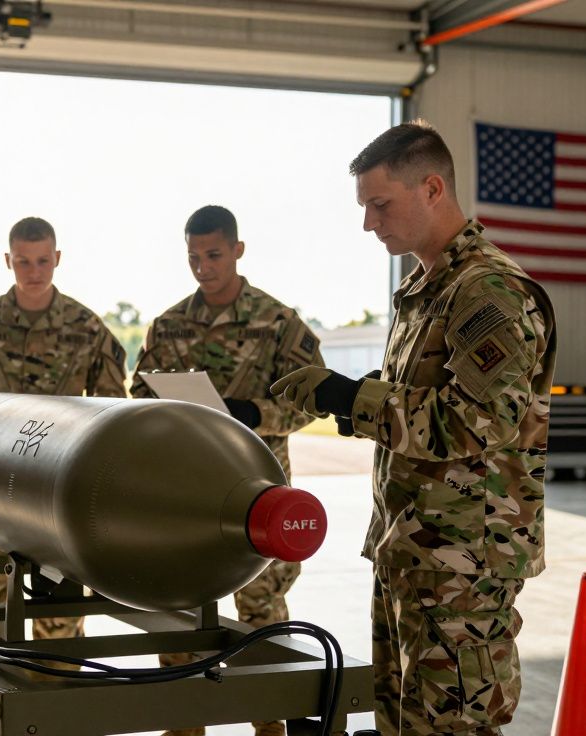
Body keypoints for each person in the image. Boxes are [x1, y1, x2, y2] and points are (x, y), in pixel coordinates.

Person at [272, 120, 556, 735]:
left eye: (380, 204)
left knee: (451, 728)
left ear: (431, 188)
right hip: (414, 550)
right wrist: (344, 402)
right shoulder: (426, 289)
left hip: (462, 570)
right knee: (403, 723)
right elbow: (416, 406)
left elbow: (479, 423)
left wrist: (356, 395)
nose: (369, 223)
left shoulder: (488, 291)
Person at [131, 204, 323, 736]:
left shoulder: (280, 323)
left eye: (213, 255)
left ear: (238, 250)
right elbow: (136, 398)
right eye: (193, 257)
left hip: (256, 492)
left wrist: (255, 413)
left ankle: (270, 722)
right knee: (180, 607)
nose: (202, 267)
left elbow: (313, 400)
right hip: (182, 494)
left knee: (261, 610)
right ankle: (184, 723)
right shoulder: (167, 326)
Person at [0, 216, 127, 728]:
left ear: (57, 258)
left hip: (56, 505)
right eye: (23, 261)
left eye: (43, 260)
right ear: (8, 260)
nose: (33, 271)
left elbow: (114, 415)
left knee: (59, 630)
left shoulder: (89, 331)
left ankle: (56, 718)